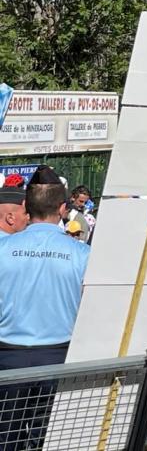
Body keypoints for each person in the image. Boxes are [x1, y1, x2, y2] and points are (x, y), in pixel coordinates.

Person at [0, 166, 90, 449]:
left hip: (8, 358)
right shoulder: (82, 254)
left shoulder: (4, 249)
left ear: (27, 206)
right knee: (51, 440)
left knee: (6, 439)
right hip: (58, 358)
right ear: (62, 208)